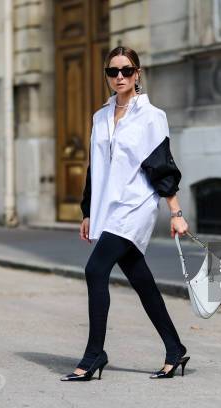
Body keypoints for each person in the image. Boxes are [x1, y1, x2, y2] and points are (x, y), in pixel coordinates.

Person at [60, 46, 190, 381]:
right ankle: (175, 349)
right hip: (108, 207)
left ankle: (94, 355)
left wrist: (175, 212)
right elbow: (95, 168)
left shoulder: (150, 116)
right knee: (140, 278)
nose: (120, 77)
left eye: (127, 70)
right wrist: (88, 211)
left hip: (135, 205)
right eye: (113, 71)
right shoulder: (99, 117)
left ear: (138, 74)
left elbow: (162, 166)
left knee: (95, 269)